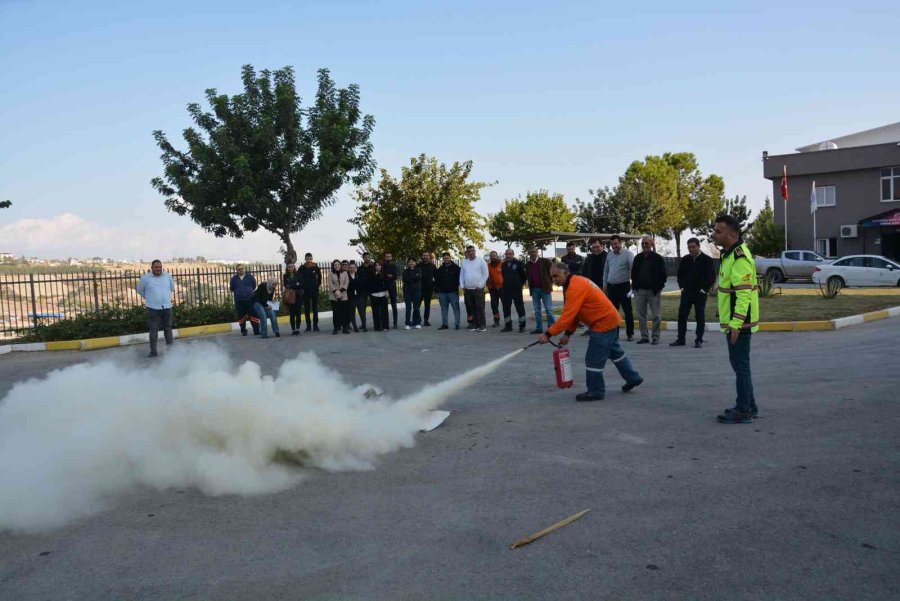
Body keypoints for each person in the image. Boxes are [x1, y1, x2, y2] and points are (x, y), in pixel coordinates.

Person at [537, 263, 643, 402]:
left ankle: (596, 391)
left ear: (565, 273)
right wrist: (568, 333)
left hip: (603, 323)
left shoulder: (575, 286)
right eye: (552, 277)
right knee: (615, 353)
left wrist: (548, 334)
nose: (554, 280)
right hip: (609, 320)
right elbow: (576, 313)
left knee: (593, 358)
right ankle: (633, 378)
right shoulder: (574, 283)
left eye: (556, 276)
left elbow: (567, 316)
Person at [712, 214, 760, 424]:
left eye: (719, 231)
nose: (715, 234)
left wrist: (736, 324)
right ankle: (750, 405)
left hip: (739, 324)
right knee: (740, 365)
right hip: (735, 322)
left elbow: (743, 295)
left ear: (732, 234)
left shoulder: (739, 258)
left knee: (741, 367)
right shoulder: (729, 255)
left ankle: (743, 410)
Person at [672, 237, 716, 348]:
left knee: (699, 316)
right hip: (686, 292)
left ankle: (699, 339)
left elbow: (711, 277)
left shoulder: (707, 260)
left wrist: (704, 289)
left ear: (698, 246)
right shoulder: (685, 259)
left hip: (700, 294)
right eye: (689, 247)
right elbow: (680, 274)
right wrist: (681, 286)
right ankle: (681, 339)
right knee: (682, 315)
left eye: (693, 247)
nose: (691, 249)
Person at [630, 236, 667, 345]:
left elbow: (663, 275)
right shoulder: (637, 258)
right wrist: (635, 287)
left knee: (656, 315)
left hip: (653, 291)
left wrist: (659, 287)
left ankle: (655, 337)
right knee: (641, 315)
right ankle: (644, 337)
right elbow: (633, 273)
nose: (645, 245)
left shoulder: (658, 258)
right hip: (640, 291)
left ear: (651, 244)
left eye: (647, 243)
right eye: (643, 243)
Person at [136, 259, 176, 357]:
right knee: (153, 330)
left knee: (168, 329)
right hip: (153, 308)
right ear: (152, 268)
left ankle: (170, 351)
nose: (158, 269)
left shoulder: (168, 276)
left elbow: (171, 288)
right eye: (156, 267)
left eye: (160, 267)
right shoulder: (146, 278)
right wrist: (149, 297)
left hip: (167, 307)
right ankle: (153, 352)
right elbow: (140, 290)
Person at [603, 235, 635, 341]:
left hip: (624, 287)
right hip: (611, 287)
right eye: (612, 244)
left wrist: (632, 285)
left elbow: (633, 270)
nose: (614, 246)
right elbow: (606, 271)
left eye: (616, 243)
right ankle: (614, 334)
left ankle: (630, 334)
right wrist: (605, 285)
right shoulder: (609, 255)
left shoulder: (628, 254)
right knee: (613, 312)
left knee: (627, 311)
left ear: (621, 243)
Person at [580, 239, 608, 336]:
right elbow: (584, 272)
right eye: (593, 247)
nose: (595, 249)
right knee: (591, 310)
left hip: (604, 286)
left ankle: (603, 328)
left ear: (602, 246)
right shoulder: (589, 258)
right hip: (591, 288)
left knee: (603, 309)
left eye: (597, 247)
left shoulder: (608, 256)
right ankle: (591, 328)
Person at [526, 247, 555, 334]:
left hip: (545, 288)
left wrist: (551, 281)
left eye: (534, 251)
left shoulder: (545, 261)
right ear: (529, 254)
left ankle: (552, 328)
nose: (533, 253)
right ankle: (539, 328)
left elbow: (553, 270)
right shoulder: (528, 264)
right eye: (531, 252)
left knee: (548, 309)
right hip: (534, 289)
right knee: (537, 310)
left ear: (537, 252)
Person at [460, 245, 488, 332]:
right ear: (467, 253)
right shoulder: (465, 262)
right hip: (468, 289)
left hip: (478, 289)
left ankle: (482, 325)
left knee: (479, 307)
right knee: (469, 307)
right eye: (469, 251)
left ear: (475, 251)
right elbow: (461, 275)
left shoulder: (481, 261)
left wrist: (480, 285)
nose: (471, 253)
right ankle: (472, 324)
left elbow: (485, 274)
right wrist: (462, 285)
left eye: (472, 251)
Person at [500, 248, 527, 332]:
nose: (508, 255)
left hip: (517, 290)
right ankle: (508, 326)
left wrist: (519, 284)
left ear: (513, 254)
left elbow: (524, 276)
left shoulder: (519, 263)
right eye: (506, 254)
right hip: (506, 290)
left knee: (520, 308)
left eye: (510, 254)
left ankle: (522, 326)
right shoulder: (503, 264)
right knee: (506, 308)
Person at [229, 263, 259, 336]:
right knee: (241, 316)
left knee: (253, 315)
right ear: (236, 270)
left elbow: (254, 285)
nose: (240, 270)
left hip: (250, 299)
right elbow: (232, 288)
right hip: (239, 301)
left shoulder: (250, 277)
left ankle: (256, 330)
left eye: (242, 269)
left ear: (244, 269)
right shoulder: (233, 279)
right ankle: (243, 331)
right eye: (239, 269)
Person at [435, 252, 461, 330]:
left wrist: (457, 288)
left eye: (447, 258)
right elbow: (437, 281)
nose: (446, 259)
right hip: (442, 293)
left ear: (450, 258)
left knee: (456, 308)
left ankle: (457, 324)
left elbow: (459, 279)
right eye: (444, 258)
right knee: (444, 309)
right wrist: (436, 291)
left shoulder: (456, 268)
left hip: (453, 292)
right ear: (443, 259)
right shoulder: (440, 269)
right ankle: (445, 324)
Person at [298, 253, 322, 332]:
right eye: (307, 258)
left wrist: (317, 286)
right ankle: (308, 326)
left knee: (315, 309)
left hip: (314, 291)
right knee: (307, 309)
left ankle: (315, 326)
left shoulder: (316, 267)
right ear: (305, 259)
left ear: (312, 259)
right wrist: (302, 288)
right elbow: (299, 278)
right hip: (305, 292)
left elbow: (319, 278)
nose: (309, 260)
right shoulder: (301, 268)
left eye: (310, 258)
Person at [328, 259, 350, 335]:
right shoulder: (330, 273)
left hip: (343, 295)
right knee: (336, 312)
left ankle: (345, 328)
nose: (337, 266)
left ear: (340, 265)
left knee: (344, 312)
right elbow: (330, 284)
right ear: (333, 266)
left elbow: (346, 283)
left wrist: (340, 291)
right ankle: (336, 328)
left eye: (338, 264)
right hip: (334, 295)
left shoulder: (345, 273)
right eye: (335, 265)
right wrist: (336, 292)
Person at [282, 263, 304, 336]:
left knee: (298, 313)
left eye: (292, 267)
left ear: (294, 267)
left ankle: (297, 329)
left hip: (298, 296)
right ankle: (293, 329)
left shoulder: (299, 274)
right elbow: (286, 285)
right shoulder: (285, 276)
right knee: (292, 314)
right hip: (290, 297)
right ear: (287, 268)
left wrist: (292, 285)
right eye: (289, 267)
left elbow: (301, 284)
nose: (290, 268)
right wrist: (296, 284)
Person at [369, 261, 390, 332]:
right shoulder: (371, 275)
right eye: (376, 265)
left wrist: (387, 291)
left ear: (381, 266)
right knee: (376, 312)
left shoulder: (384, 274)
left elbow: (387, 283)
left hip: (383, 294)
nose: (378, 267)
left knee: (384, 311)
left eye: (379, 265)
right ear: (374, 267)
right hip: (374, 295)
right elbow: (370, 285)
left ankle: (385, 326)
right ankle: (377, 327)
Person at [402, 258, 423, 329]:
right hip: (407, 292)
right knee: (408, 308)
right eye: (409, 262)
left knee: (416, 307)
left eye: (412, 262)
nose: (411, 263)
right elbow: (404, 279)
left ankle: (418, 322)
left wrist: (410, 278)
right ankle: (407, 323)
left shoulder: (419, 269)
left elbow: (419, 277)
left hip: (416, 291)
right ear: (408, 263)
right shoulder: (405, 271)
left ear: (415, 263)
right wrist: (414, 277)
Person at [417, 251, 437, 327]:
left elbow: (436, 277)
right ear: (422, 256)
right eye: (424, 255)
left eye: (426, 255)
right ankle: (417, 320)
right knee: (417, 305)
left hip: (429, 289)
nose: (425, 257)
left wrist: (434, 286)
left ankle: (426, 320)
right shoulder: (418, 266)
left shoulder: (432, 266)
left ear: (429, 257)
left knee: (427, 306)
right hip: (419, 289)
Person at [347, 262, 367, 332]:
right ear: (348, 268)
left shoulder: (358, 275)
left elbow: (362, 284)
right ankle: (355, 327)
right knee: (352, 313)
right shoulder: (346, 276)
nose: (352, 269)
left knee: (362, 312)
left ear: (356, 268)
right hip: (351, 297)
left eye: (354, 268)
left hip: (359, 296)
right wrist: (355, 283)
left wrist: (354, 283)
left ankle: (364, 326)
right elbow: (347, 286)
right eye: (351, 268)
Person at [382, 252, 399, 329]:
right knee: (384, 307)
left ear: (391, 257)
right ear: (385, 257)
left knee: (394, 307)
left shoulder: (394, 266)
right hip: (384, 288)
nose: (388, 258)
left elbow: (395, 276)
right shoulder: (382, 266)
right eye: (387, 257)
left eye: (389, 256)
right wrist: (388, 275)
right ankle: (385, 324)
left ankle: (395, 323)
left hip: (392, 288)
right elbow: (383, 276)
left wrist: (390, 276)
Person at [486, 250, 503, 327]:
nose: (493, 257)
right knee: (494, 306)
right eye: (491, 256)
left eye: (494, 255)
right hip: (492, 289)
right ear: (490, 257)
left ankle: (508, 321)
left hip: (502, 288)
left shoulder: (502, 264)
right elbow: (486, 277)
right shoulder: (488, 266)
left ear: (497, 256)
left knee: (506, 305)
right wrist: (488, 286)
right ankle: (496, 321)